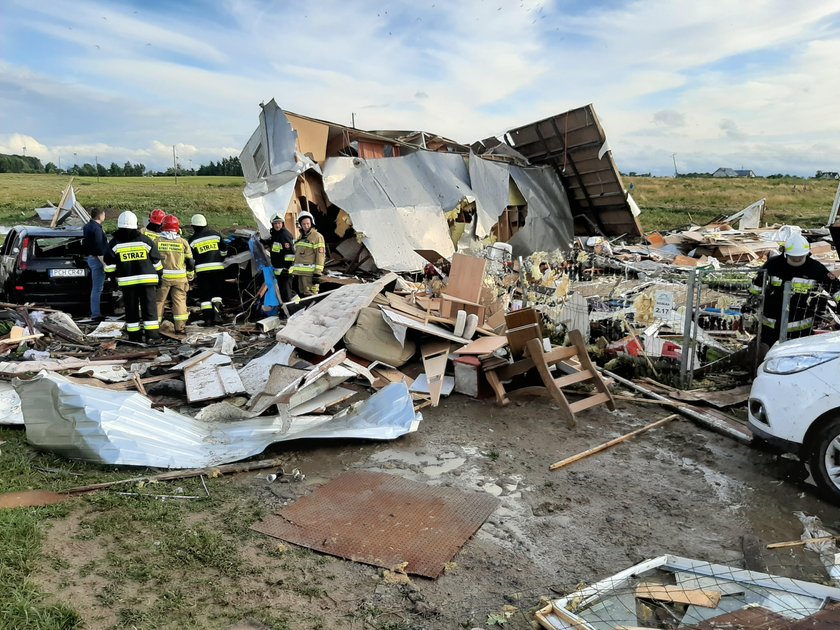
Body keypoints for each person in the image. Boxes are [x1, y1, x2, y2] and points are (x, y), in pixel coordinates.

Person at [749, 234, 840, 358]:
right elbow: (757, 285)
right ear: (785, 253)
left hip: (800, 327)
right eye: (794, 257)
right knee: (766, 357)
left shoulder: (815, 268)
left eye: (800, 257)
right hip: (771, 324)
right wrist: (751, 303)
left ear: (807, 254)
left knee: (796, 359)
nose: (797, 260)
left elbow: (835, 288)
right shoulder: (773, 265)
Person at [103, 211, 163, 342]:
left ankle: (135, 337)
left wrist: (112, 280)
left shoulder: (114, 243)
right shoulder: (145, 240)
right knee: (150, 308)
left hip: (128, 283)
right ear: (135, 225)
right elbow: (156, 260)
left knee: (131, 310)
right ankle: (152, 336)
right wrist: (160, 275)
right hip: (147, 281)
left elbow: (109, 264)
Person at [155, 215, 194, 334]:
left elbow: (152, 260)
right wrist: (190, 275)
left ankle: (155, 327)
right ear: (177, 228)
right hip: (180, 279)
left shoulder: (157, 242)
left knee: (159, 301)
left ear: (163, 227)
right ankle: (180, 328)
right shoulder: (183, 242)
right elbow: (190, 261)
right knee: (180, 302)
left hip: (163, 278)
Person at [188, 213, 227, 324]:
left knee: (205, 295)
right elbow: (224, 250)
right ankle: (217, 316)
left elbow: (191, 259)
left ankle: (208, 319)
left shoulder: (192, 240)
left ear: (193, 226)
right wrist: (220, 258)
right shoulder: (216, 235)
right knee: (217, 293)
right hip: (217, 268)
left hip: (202, 271)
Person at [290, 211, 325, 296]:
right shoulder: (300, 237)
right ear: (300, 225)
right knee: (303, 295)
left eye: (308, 224)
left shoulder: (317, 236)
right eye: (304, 224)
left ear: (312, 223)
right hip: (300, 273)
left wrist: (317, 273)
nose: (306, 226)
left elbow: (320, 256)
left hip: (310, 274)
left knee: (311, 295)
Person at [82, 208, 108, 322]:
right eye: (104, 214)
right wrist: (104, 263)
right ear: (100, 216)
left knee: (96, 287)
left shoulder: (87, 226)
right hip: (98, 260)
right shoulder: (97, 229)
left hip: (91, 257)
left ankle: (95, 312)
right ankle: (96, 314)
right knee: (97, 288)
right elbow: (99, 248)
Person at [263, 213, 295, 302]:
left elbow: (291, 254)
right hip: (279, 270)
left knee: (286, 294)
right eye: (275, 223)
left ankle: (289, 311)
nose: (277, 225)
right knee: (285, 292)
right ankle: (294, 306)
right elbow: (275, 247)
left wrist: (287, 268)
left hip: (284, 271)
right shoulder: (276, 235)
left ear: (282, 223)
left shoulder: (284, 235)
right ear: (272, 224)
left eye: (279, 223)